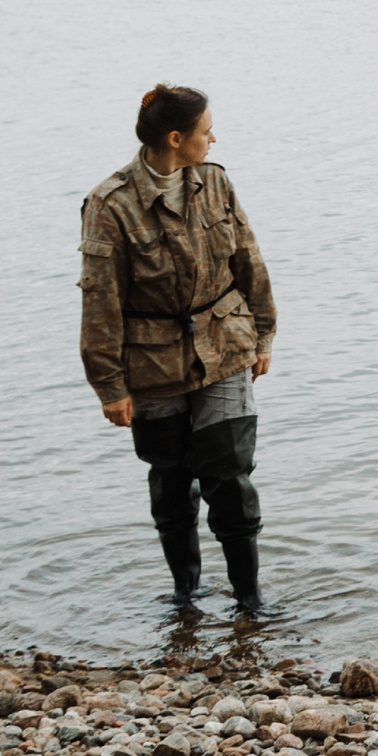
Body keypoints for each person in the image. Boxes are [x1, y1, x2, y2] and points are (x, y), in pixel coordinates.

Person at [79, 85, 278, 614]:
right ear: (175, 138)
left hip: (226, 347)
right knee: (170, 481)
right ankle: (186, 594)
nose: (214, 137)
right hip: (151, 363)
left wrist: (263, 335)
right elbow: (101, 301)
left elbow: (249, 260)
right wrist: (109, 385)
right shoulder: (109, 205)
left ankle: (251, 601)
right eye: (205, 129)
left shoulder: (216, 182)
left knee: (231, 478)